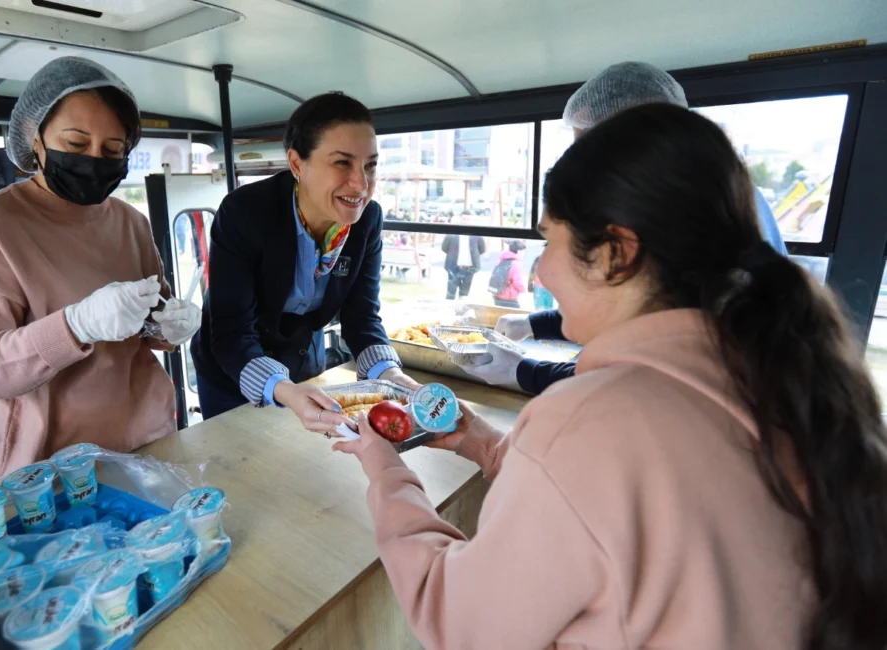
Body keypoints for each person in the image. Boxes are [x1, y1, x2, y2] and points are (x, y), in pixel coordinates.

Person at [335, 103, 887, 650]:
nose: (538, 270)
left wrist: (383, 466)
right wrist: (485, 444)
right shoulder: (776, 373)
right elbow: (615, 515)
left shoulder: (587, 419)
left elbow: (456, 621)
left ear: (615, 253)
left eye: (549, 239)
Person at [0, 57, 200, 481]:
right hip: (50, 474)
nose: (95, 159)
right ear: (35, 139)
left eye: (113, 150)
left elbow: (145, 323)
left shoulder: (129, 221)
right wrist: (74, 327)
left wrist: (167, 328)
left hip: (148, 446)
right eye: (75, 144)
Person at [463, 61, 789, 395]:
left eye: (591, 152)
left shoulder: (681, 215)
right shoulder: (718, 193)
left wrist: (524, 372)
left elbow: (647, 374)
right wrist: (538, 324)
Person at [190, 92, 418, 430]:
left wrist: (394, 377)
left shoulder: (366, 221)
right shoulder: (246, 212)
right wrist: (282, 389)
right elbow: (231, 330)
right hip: (231, 364)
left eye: (370, 165)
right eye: (342, 163)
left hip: (298, 354)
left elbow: (362, 317)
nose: (361, 183)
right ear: (297, 164)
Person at [441, 212, 486, 300]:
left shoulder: (477, 235)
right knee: (451, 292)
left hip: (469, 268)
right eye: (464, 219)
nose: (465, 221)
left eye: (468, 219)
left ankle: (461, 310)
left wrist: (474, 256)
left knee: (464, 293)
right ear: (460, 219)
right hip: (454, 267)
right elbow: (444, 247)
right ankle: (449, 309)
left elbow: (482, 249)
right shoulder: (452, 233)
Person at [488, 240, 526, 308]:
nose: (524, 253)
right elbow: (518, 282)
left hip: (497, 296)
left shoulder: (500, 261)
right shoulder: (516, 264)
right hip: (509, 298)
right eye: (523, 251)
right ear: (519, 251)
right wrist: (522, 289)